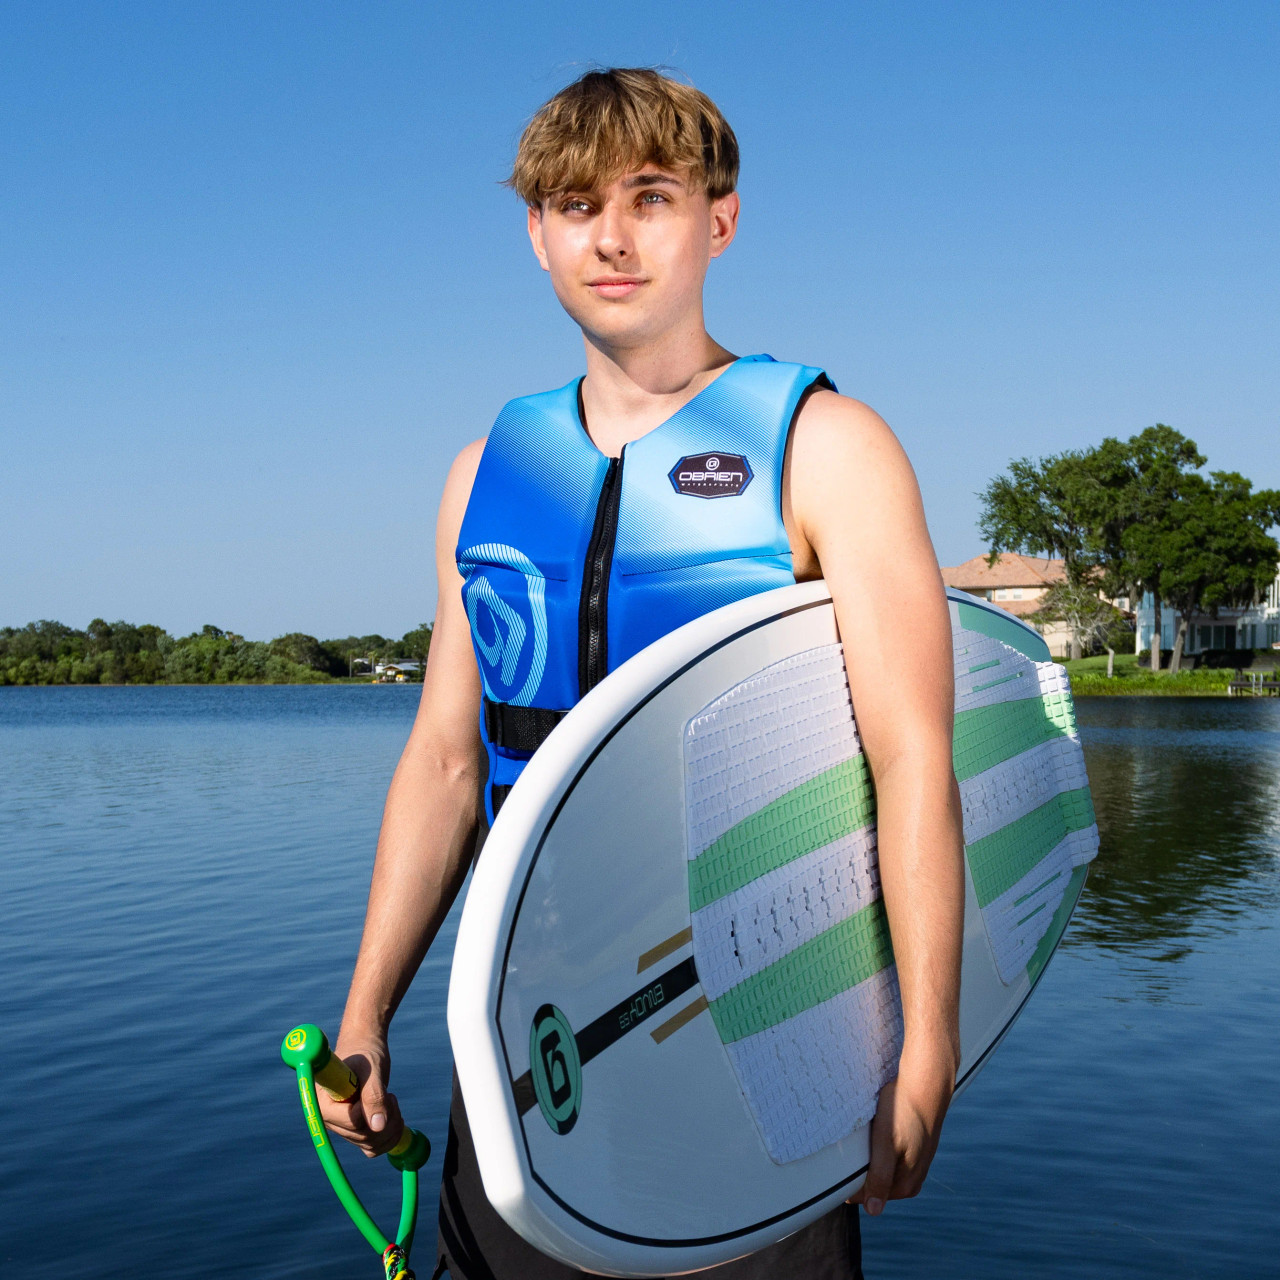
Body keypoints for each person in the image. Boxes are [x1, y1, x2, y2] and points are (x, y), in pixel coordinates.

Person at [318, 67, 964, 1280]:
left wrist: (925, 1039)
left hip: (760, 1027)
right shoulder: (485, 470)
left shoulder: (823, 447)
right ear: (534, 235)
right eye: (571, 205)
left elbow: (911, 760)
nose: (608, 237)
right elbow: (451, 759)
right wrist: (366, 1012)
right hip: (526, 1036)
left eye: (650, 197)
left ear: (718, 218)